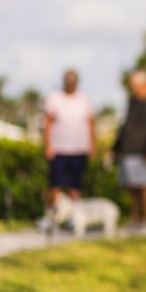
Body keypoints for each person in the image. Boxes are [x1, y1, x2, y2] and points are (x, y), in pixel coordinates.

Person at [110, 70, 146, 234]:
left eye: (134, 86)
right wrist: (115, 148)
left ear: (144, 85)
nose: (132, 88)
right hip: (128, 152)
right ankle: (135, 221)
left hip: (143, 153)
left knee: (145, 187)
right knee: (132, 189)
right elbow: (124, 127)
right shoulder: (132, 102)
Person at [43, 68, 96, 208]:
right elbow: (47, 123)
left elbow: (90, 123)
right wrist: (48, 145)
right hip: (59, 149)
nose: (71, 84)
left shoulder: (84, 99)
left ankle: (75, 218)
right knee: (55, 185)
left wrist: (92, 145)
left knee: (75, 187)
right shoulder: (54, 98)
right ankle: (51, 218)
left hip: (79, 149)